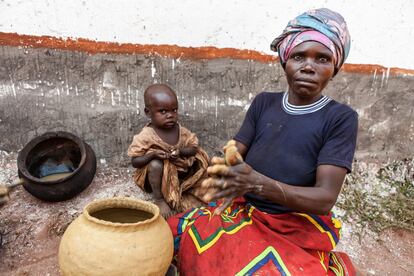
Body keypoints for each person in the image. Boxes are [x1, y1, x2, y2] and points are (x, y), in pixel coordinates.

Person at [167, 8, 359, 275]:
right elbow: (235, 150)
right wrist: (224, 167)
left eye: (322, 59)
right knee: (170, 237)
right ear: (284, 61)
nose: (308, 66)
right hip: (244, 208)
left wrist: (256, 183)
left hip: (294, 224)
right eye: (298, 56)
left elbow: (324, 198)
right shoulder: (264, 103)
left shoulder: (340, 118)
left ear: (334, 68)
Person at [127, 84, 210, 218]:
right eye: (163, 111)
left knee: (200, 155)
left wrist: (180, 152)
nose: (170, 116)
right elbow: (135, 161)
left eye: (174, 110)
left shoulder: (180, 131)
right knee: (156, 164)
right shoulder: (147, 135)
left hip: (177, 173)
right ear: (148, 112)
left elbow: (193, 149)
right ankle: (159, 199)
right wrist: (153, 155)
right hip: (155, 177)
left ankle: (189, 186)